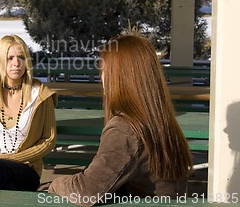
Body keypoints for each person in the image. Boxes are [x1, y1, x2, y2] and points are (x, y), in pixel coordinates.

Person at [48, 34, 193, 206]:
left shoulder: (124, 129)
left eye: (104, 70)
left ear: (119, 76)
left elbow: (87, 191)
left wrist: (54, 184)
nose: (101, 77)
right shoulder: (161, 121)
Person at [0, 34, 57, 191]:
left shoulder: (41, 94)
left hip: (26, 169)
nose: (16, 63)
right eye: (9, 58)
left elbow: (48, 140)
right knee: (1, 181)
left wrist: (10, 159)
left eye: (21, 57)